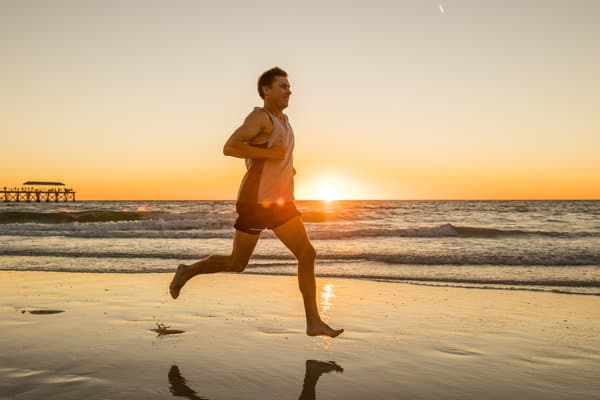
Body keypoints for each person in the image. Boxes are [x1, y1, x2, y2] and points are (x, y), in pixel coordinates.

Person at [169, 67, 343, 338]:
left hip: (279, 202)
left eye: (289, 86)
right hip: (257, 201)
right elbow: (230, 147)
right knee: (249, 261)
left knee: (293, 255)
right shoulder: (259, 118)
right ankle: (187, 271)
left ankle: (313, 322)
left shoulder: (284, 121)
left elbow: (275, 157)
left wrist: (287, 170)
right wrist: (269, 155)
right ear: (266, 90)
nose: (289, 91)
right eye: (283, 86)